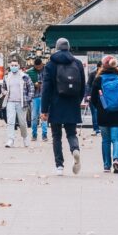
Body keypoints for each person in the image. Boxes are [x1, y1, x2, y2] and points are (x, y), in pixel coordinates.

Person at [41, 38, 85, 175]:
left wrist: (44, 109)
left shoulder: (50, 64)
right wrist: (77, 101)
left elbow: (46, 89)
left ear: (57, 47)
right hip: (72, 104)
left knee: (56, 136)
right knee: (71, 133)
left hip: (55, 104)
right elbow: (83, 86)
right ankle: (75, 149)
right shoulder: (77, 63)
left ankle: (59, 166)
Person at [90, 56, 118, 174]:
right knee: (116, 139)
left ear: (103, 65)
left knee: (106, 140)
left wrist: (100, 106)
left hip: (104, 114)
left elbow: (93, 98)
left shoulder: (98, 79)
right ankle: (116, 160)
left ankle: (106, 166)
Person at [0, 55, 34, 148]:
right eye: (12, 65)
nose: (14, 67)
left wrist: (28, 98)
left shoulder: (24, 76)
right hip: (10, 102)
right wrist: (4, 92)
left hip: (22, 102)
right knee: (10, 121)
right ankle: (10, 139)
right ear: (10, 66)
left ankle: (25, 137)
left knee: (22, 122)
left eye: (15, 65)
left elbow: (31, 87)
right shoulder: (7, 77)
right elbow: (3, 87)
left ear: (18, 66)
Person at [27, 57, 48, 141]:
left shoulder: (47, 71)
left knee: (44, 116)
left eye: (39, 66)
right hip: (34, 96)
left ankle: (44, 135)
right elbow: (27, 85)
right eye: (37, 67)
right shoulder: (30, 72)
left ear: (42, 64)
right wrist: (34, 85)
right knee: (34, 117)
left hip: (44, 96)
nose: (38, 68)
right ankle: (34, 134)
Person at [85, 66, 99, 134]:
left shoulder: (104, 74)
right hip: (93, 96)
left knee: (97, 113)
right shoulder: (93, 74)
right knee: (95, 112)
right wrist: (87, 95)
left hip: (101, 96)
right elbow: (88, 85)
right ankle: (96, 129)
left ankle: (99, 128)